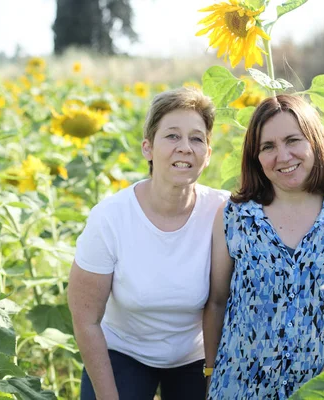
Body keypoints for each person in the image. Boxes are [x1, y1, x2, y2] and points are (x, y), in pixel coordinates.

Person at [203, 94, 324, 399]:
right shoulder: (234, 216)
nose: (282, 156)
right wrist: (209, 373)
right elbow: (217, 302)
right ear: (255, 157)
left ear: (314, 142)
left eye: (293, 140)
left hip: (321, 388)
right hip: (239, 387)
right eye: (267, 147)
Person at [67, 87, 230, 400]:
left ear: (207, 155)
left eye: (196, 138)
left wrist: (214, 374)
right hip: (123, 352)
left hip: (196, 357)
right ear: (148, 148)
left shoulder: (224, 213)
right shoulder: (110, 218)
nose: (185, 147)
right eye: (172, 136)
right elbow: (85, 319)